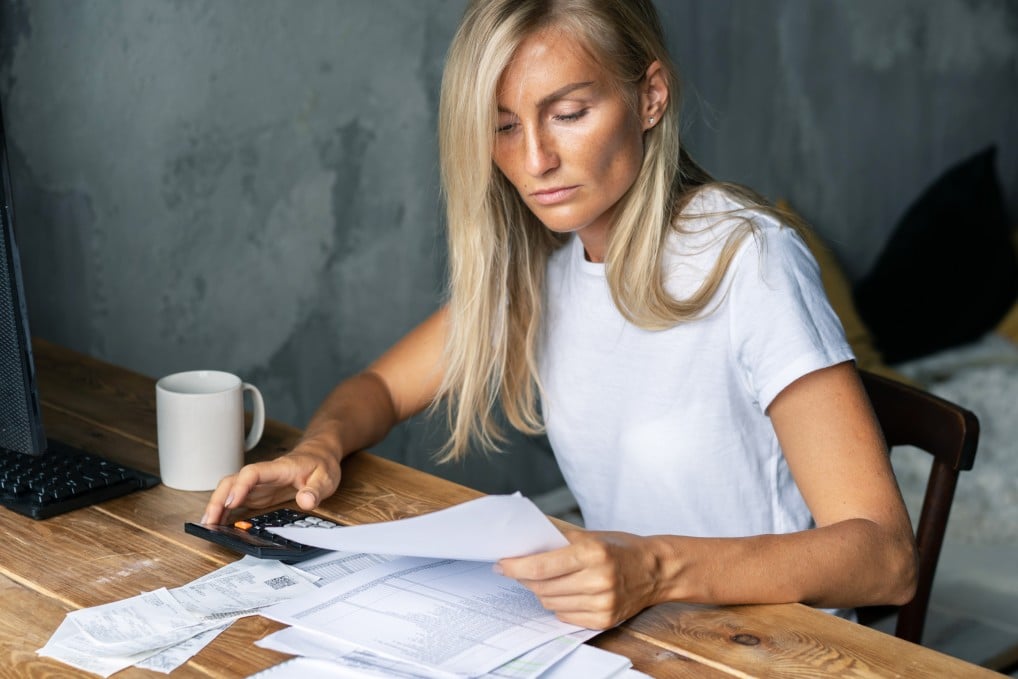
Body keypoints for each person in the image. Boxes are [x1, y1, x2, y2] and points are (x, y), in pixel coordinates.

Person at [203, 0, 917, 631]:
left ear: (650, 97)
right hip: (638, 638)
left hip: (780, 652)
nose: (536, 159)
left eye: (569, 113)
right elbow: (379, 391)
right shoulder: (544, 273)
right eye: (505, 127)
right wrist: (318, 448)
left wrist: (654, 568)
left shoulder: (749, 260)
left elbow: (885, 558)